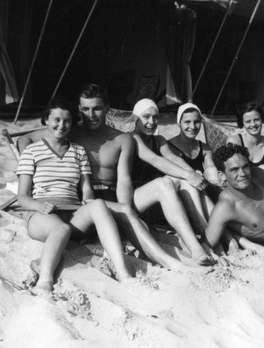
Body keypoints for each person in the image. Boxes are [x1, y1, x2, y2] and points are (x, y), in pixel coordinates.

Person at [20, 84, 209, 273]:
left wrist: (126, 210)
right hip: (88, 200)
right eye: (85, 109)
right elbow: (24, 139)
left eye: (97, 108)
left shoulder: (121, 139)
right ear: (79, 109)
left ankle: (196, 248)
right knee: (123, 210)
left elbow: (124, 180)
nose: (91, 114)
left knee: (164, 184)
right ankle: (170, 262)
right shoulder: (71, 131)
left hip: (116, 195)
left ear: (107, 108)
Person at [17, 99, 132, 294]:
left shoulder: (78, 151)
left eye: (67, 121)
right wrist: (39, 206)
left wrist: (88, 200)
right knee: (60, 229)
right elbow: (22, 197)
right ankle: (45, 280)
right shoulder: (32, 151)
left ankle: (123, 273)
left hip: (72, 211)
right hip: (41, 214)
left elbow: (86, 188)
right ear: (46, 120)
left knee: (98, 206)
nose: (61, 126)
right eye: (56, 120)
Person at [130, 98, 216, 266]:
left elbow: (172, 158)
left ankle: (209, 240)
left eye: (155, 118)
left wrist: (192, 175)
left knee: (186, 181)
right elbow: (154, 160)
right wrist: (189, 174)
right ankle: (195, 247)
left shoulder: (160, 140)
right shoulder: (132, 138)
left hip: (155, 202)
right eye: (146, 117)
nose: (151, 122)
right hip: (134, 199)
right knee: (165, 182)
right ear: (136, 118)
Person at [167, 103, 221, 226]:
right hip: (180, 199)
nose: (192, 126)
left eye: (197, 122)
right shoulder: (169, 147)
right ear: (179, 123)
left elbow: (211, 170)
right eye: (187, 122)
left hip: (202, 193)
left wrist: (214, 180)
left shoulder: (204, 148)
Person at [226, 102, 264, 179]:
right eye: (248, 121)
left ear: (262, 119)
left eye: (256, 120)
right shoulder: (235, 141)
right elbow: (232, 173)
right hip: (242, 184)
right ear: (242, 123)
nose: (253, 124)